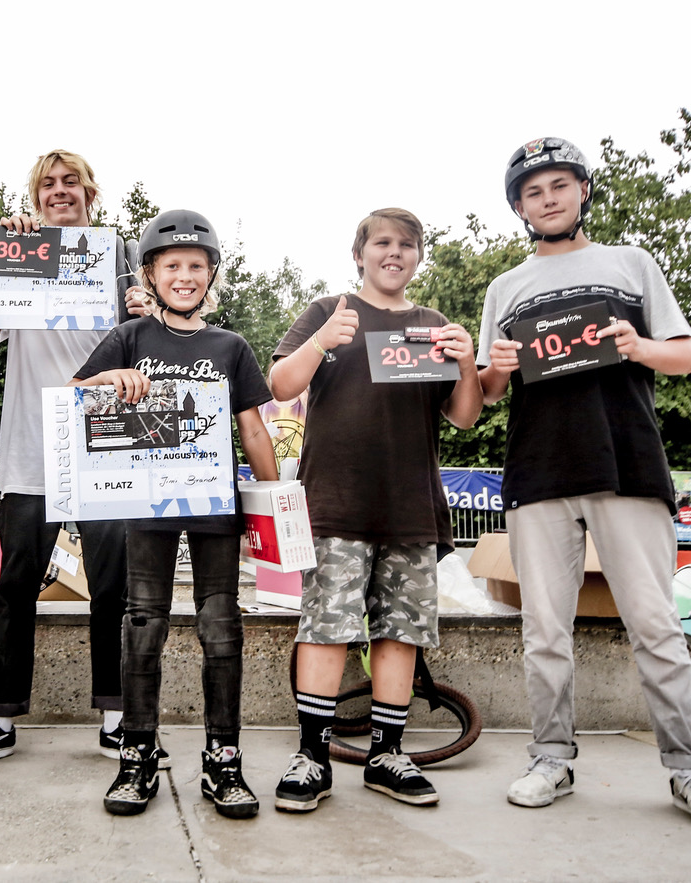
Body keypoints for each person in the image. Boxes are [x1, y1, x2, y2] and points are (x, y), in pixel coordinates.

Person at [477, 137, 691, 832]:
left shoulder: (632, 264)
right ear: (518, 206)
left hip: (627, 463)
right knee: (543, 630)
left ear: (583, 191)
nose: (549, 198)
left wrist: (638, 346)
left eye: (560, 184)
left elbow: (684, 355)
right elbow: (486, 389)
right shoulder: (504, 288)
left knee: (655, 623)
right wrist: (497, 365)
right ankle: (550, 758)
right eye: (534, 191)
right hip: (539, 472)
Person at [267, 208, 482, 812]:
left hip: (412, 506)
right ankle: (311, 756)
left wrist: (466, 361)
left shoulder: (433, 323)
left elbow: (464, 416)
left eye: (407, 245)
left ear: (418, 257)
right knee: (327, 627)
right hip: (335, 501)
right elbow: (280, 386)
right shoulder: (327, 311)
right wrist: (320, 341)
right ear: (359, 253)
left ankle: (388, 754)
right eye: (382, 243)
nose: (394, 253)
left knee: (399, 631)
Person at [71, 209, 278, 817]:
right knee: (144, 622)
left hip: (214, 505)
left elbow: (255, 431)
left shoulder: (230, 347)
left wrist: (276, 509)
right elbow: (75, 393)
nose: (184, 276)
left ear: (211, 274)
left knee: (221, 623)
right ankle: (138, 753)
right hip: (146, 506)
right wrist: (110, 376)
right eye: (172, 266)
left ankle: (224, 760)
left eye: (195, 266)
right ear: (150, 274)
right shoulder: (130, 337)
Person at [0, 150, 144, 772]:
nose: (60, 192)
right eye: (48, 185)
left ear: (89, 193)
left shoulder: (117, 259)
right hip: (31, 448)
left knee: (112, 587)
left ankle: (116, 718)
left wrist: (146, 311)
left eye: (71, 183)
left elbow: (151, 339)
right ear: (35, 197)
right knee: (14, 587)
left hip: (106, 444)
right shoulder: (14, 251)